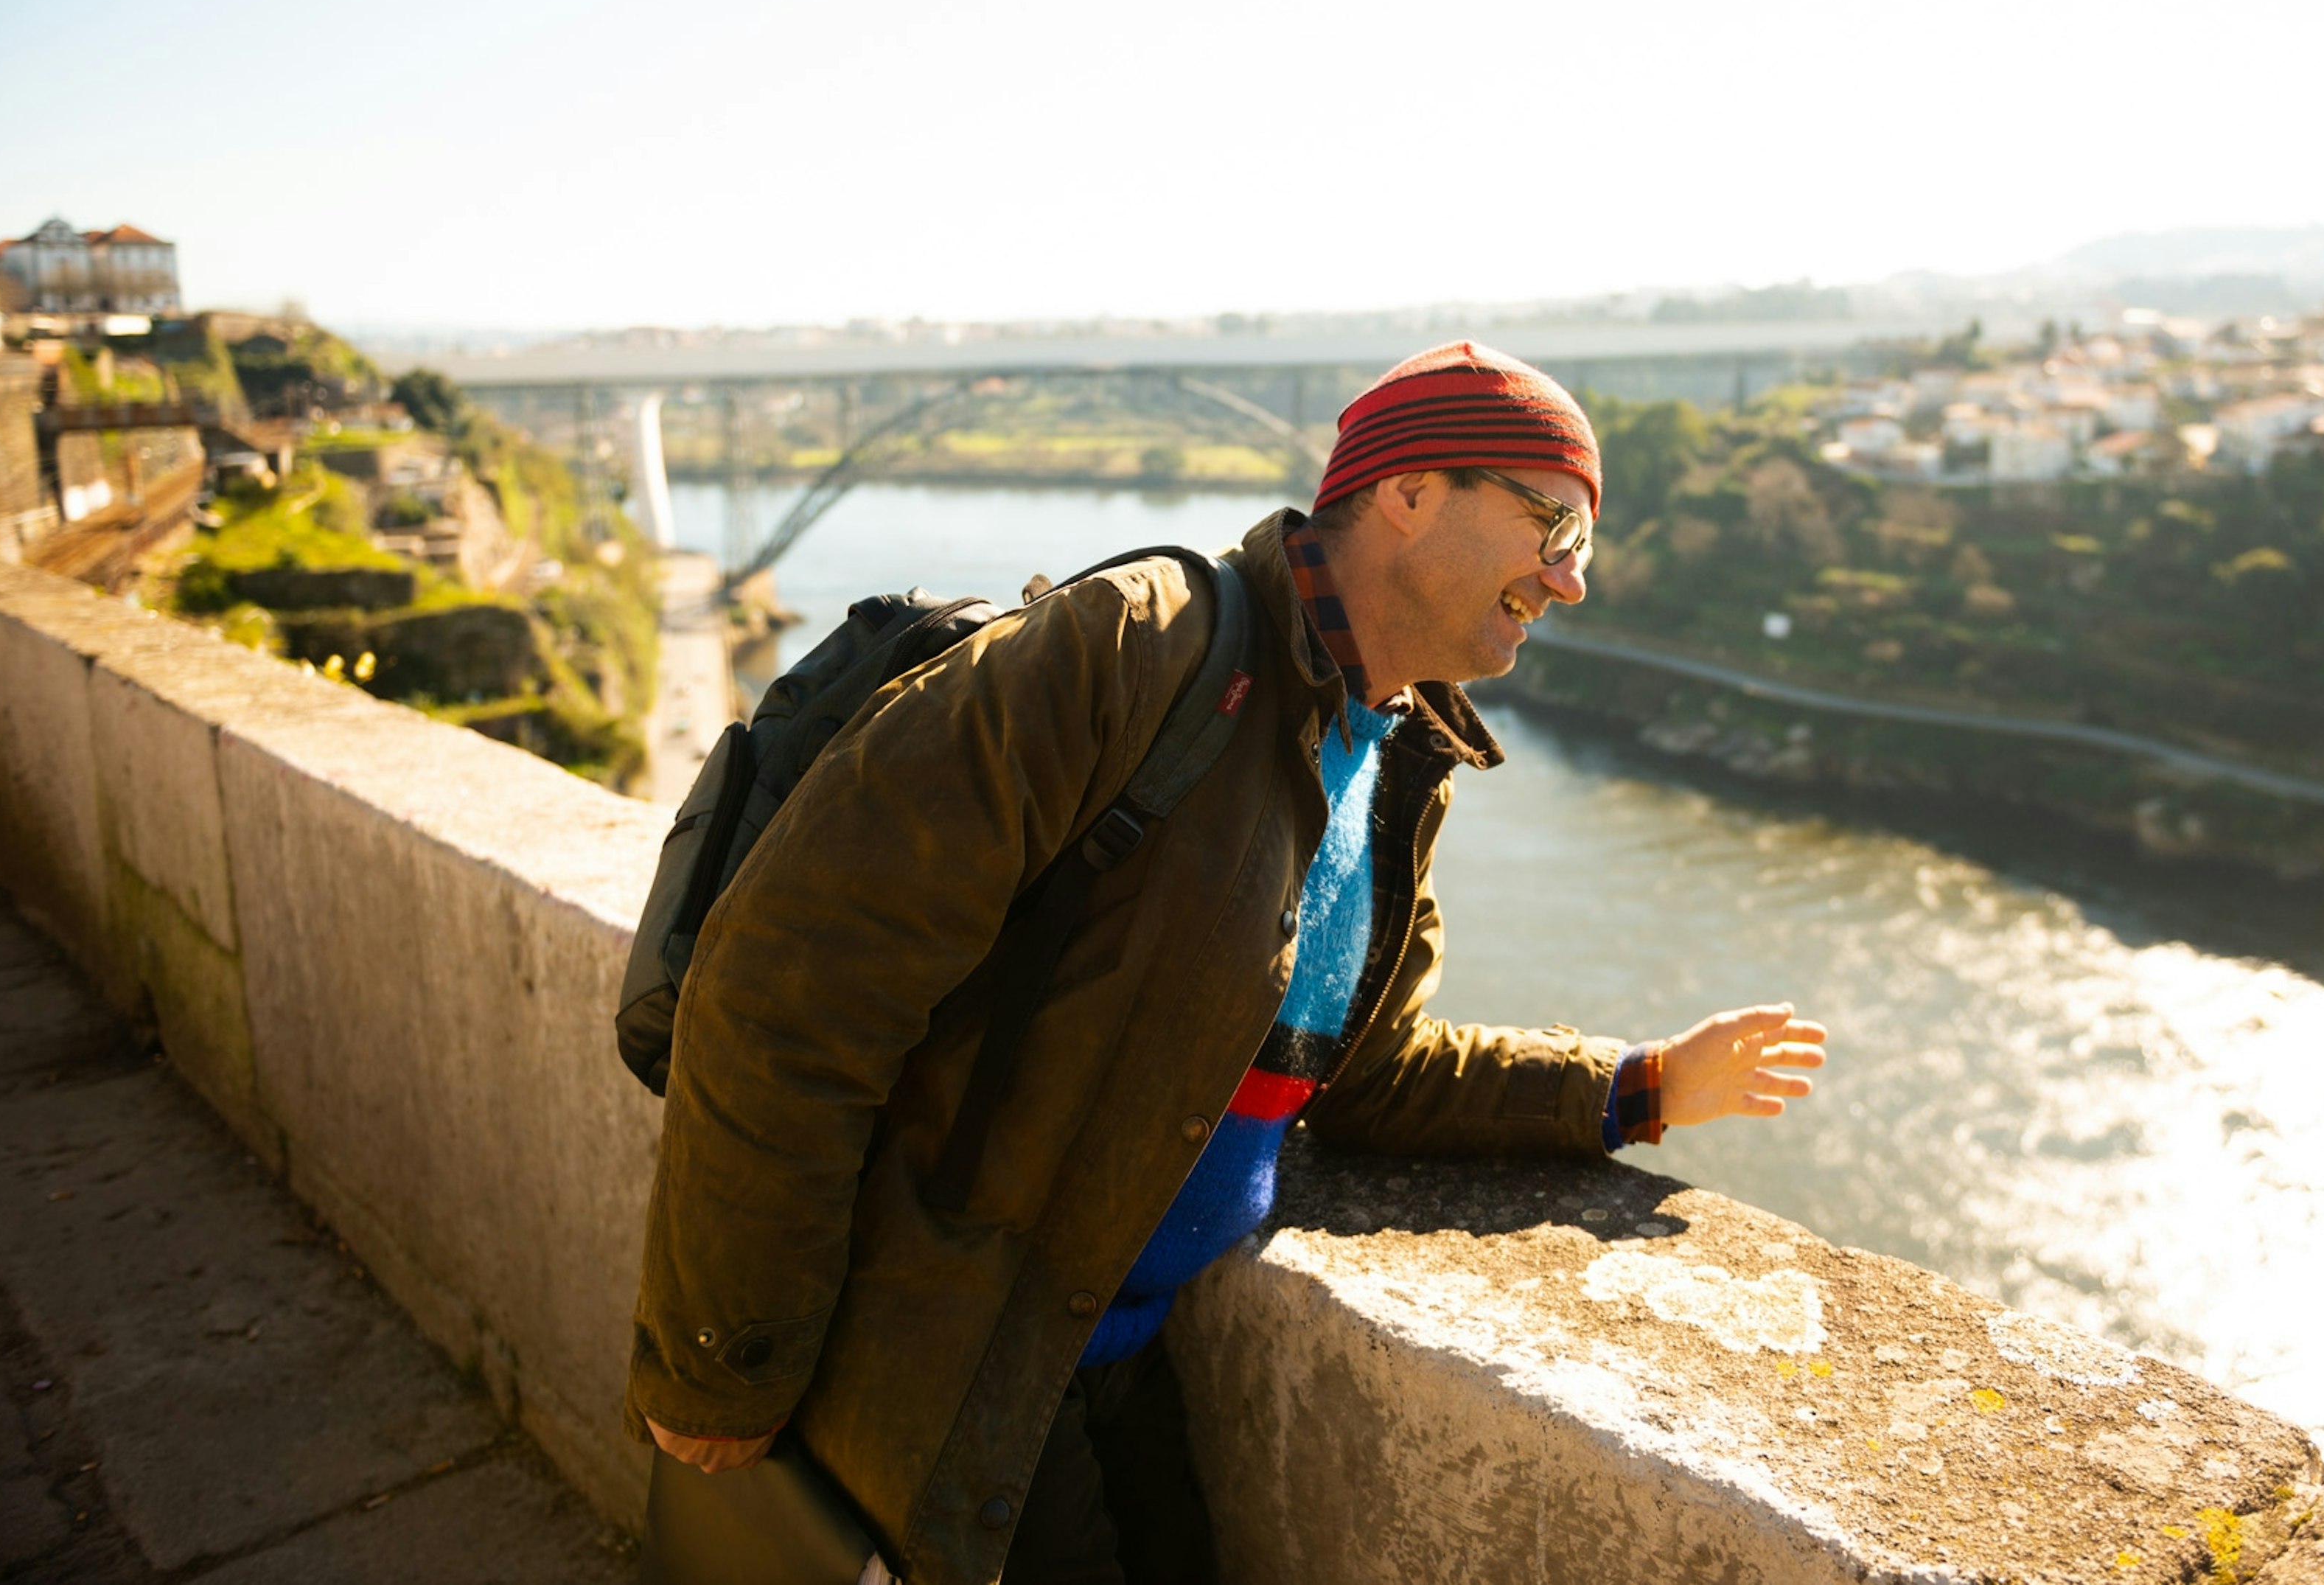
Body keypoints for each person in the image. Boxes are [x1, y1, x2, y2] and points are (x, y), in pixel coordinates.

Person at [626, 341, 1827, 1584]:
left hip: (1102, 1348)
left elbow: (1367, 1078)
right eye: (1555, 523)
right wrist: (723, 1363)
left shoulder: (1396, 758)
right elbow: (787, 985)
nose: (1570, 582)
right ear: (1409, 490)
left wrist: (1637, 1089)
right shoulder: (1136, 650)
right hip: (942, 1343)